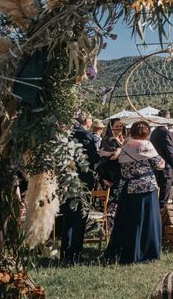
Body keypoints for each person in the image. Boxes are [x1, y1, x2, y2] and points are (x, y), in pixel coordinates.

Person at [106, 121, 164, 264]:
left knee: (130, 222)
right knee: (146, 221)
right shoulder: (146, 145)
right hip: (145, 188)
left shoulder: (124, 147)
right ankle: (146, 252)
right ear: (145, 133)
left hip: (127, 189)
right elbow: (159, 163)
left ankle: (126, 251)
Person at [60, 113, 100, 264]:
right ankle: (75, 253)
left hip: (67, 180)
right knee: (80, 217)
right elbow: (94, 158)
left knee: (68, 217)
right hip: (82, 181)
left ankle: (65, 254)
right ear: (86, 121)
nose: (91, 120)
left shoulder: (67, 134)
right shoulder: (86, 135)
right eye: (90, 118)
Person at [149, 110, 173, 208]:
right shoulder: (165, 132)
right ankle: (162, 220)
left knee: (157, 197)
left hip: (156, 168)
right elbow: (170, 152)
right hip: (165, 169)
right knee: (163, 199)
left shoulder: (154, 132)